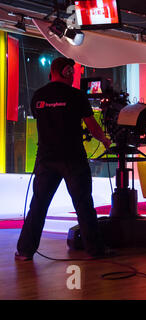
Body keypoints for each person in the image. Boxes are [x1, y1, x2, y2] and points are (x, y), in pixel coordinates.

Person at [15, 57, 112, 261]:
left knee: (39, 205)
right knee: (83, 204)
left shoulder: (38, 96)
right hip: (73, 158)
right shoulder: (76, 95)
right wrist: (104, 139)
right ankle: (95, 250)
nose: (74, 76)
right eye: (73, 72)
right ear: (67, 72)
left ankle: (24, 251)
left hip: (46, 159)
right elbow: (92, 127)